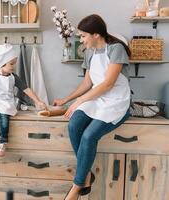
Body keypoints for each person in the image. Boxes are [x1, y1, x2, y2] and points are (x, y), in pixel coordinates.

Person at [53, 14, 131, 200]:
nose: (81, 40)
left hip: (115, 100)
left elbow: (108, 84)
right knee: (73, 125)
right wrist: (67, 100)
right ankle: (87, 174)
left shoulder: (116, 48)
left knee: (89, 136)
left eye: (83, 36)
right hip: (96, 98)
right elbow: (88, 83)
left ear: (96, 34)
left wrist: (80, 101)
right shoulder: (89, 53)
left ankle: (77, 186)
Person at [0, 43, 47, 159]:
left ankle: (2, 144)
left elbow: (26, 89)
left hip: (6, 101)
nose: (13, 66)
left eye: (14, 63)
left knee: (4, 119)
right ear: (2, 63)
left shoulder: (14, 77)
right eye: (11, 63)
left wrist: (38, 101)